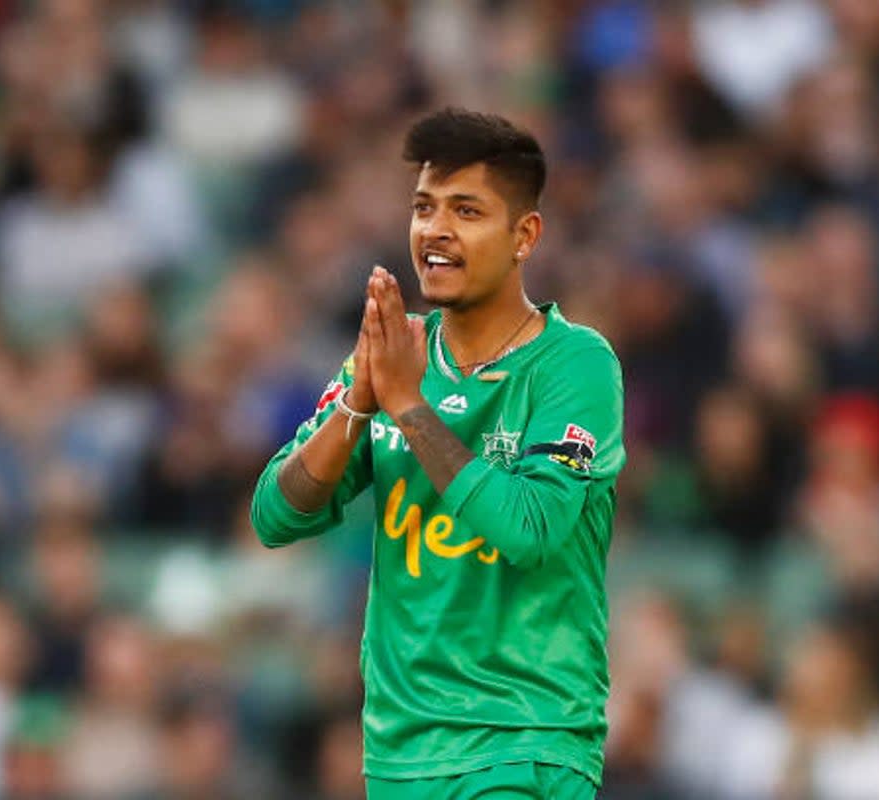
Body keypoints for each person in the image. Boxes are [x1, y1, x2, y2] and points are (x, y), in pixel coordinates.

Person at [250, 108, 626, 798]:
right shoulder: (396, 355)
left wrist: (408, 407)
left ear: (525, 235)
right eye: (424, 208)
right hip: (398, 753)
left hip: (522, 742)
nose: (436, 230)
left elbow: (532, 528)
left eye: (466, 210)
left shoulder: (575, 366)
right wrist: (361, 403)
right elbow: (277, 516)